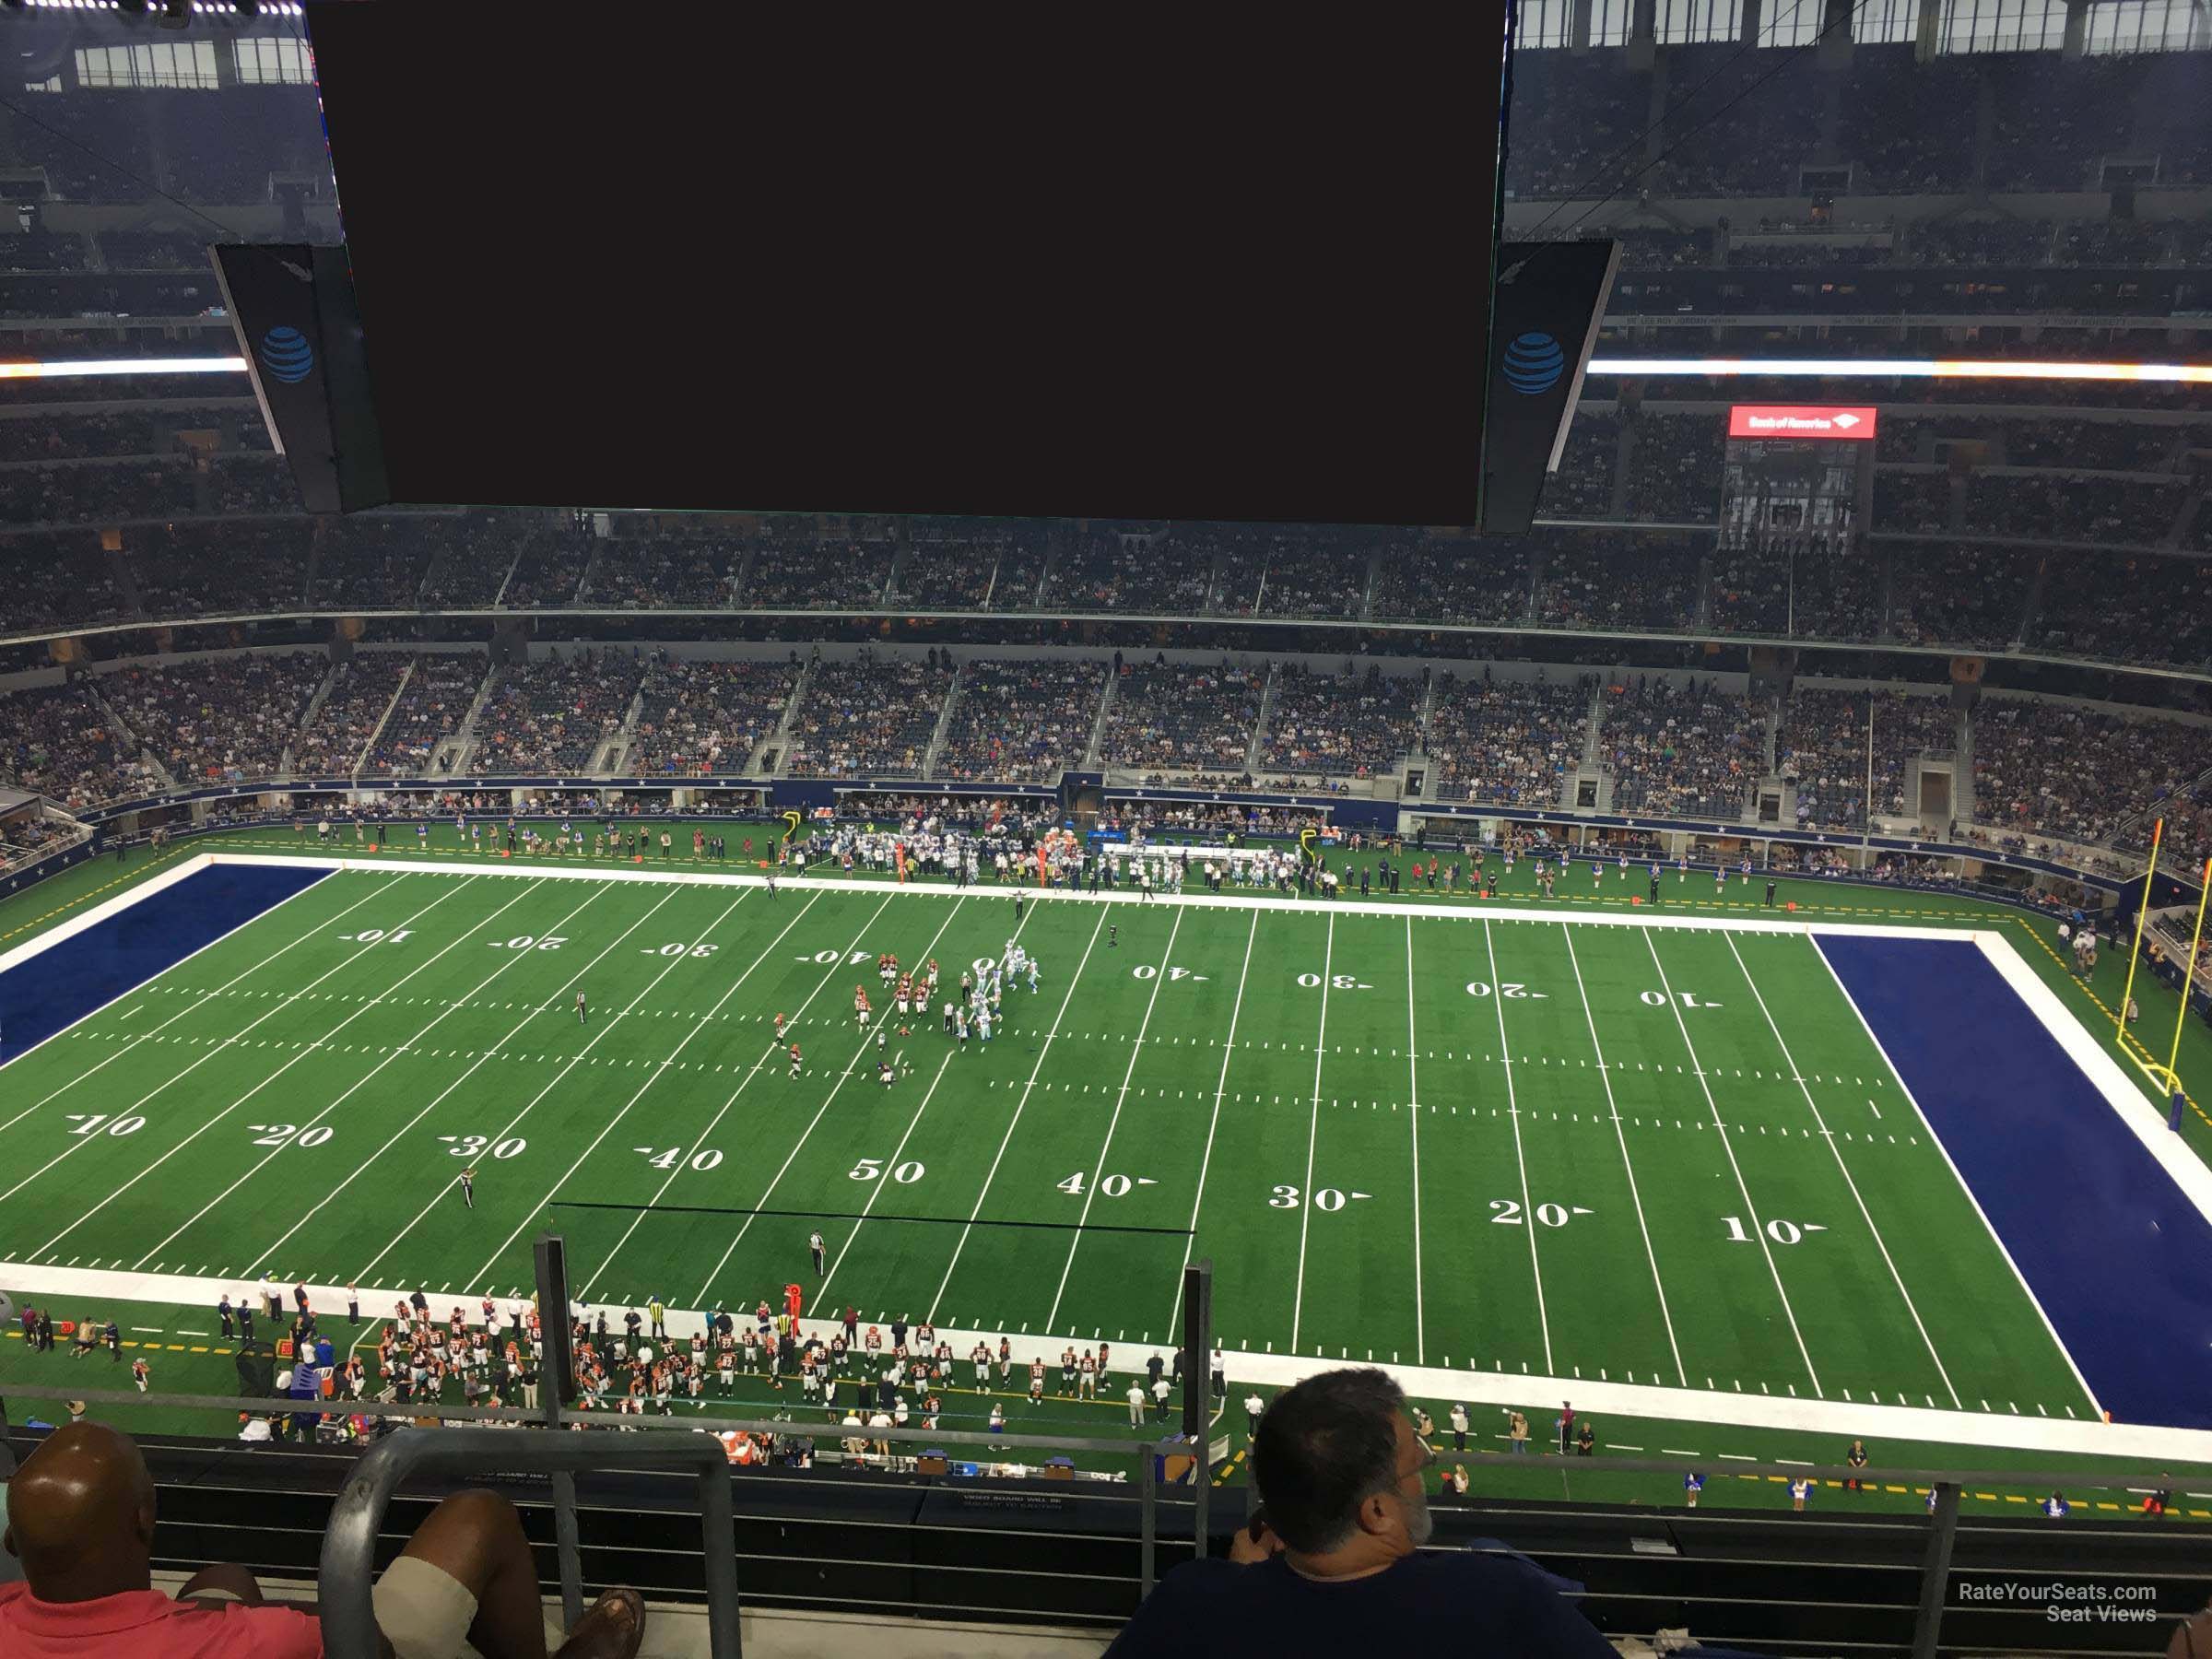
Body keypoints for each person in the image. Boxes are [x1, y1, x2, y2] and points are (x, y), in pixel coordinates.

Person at [0, 1421, 646, 1659]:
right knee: (480, 1515)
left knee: (221, 1580)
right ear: (145, 1519)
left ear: (13, 1541)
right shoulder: (257, 1643)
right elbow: (367, 1646)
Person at [1105, 1369, 1614, 1654]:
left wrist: (1242, 1588)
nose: (1422, 1481)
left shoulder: (1190, 1600)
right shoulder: (1505, 1597)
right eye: (1415, 1468)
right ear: (1376, 1511)